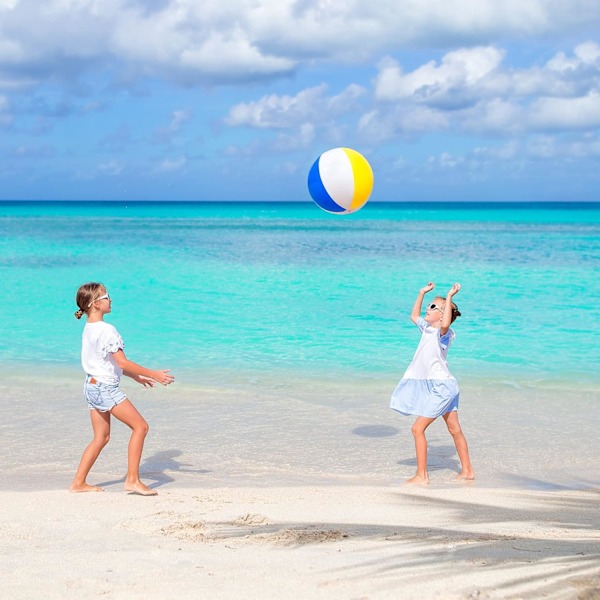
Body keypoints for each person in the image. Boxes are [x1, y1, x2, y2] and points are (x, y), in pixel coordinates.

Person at [70, 282, 175, 495]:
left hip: (91, 386)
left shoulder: (89, 328)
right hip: (105, 388)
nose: (111, 299)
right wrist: (154, 373)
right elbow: (123, 362)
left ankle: (78, 483)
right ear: (95, 304)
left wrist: (136, 377)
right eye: (107, 296)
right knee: (141, 427)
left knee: (101, 437)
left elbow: (106, 363)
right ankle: (132, 480)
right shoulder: (108, 330)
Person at [390, 282, 474, 484]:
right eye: (429, 306)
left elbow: (445, 324)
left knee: (417, 429)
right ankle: (468, 471)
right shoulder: (427, 329)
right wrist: (421, 293)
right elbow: (413, 316)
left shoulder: (443, 334)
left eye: (433, 307)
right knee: (455, 430)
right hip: (445, 386)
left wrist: (449, 296)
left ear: (443, 313)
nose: (428, 309)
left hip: (442, 388)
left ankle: (422, 476)